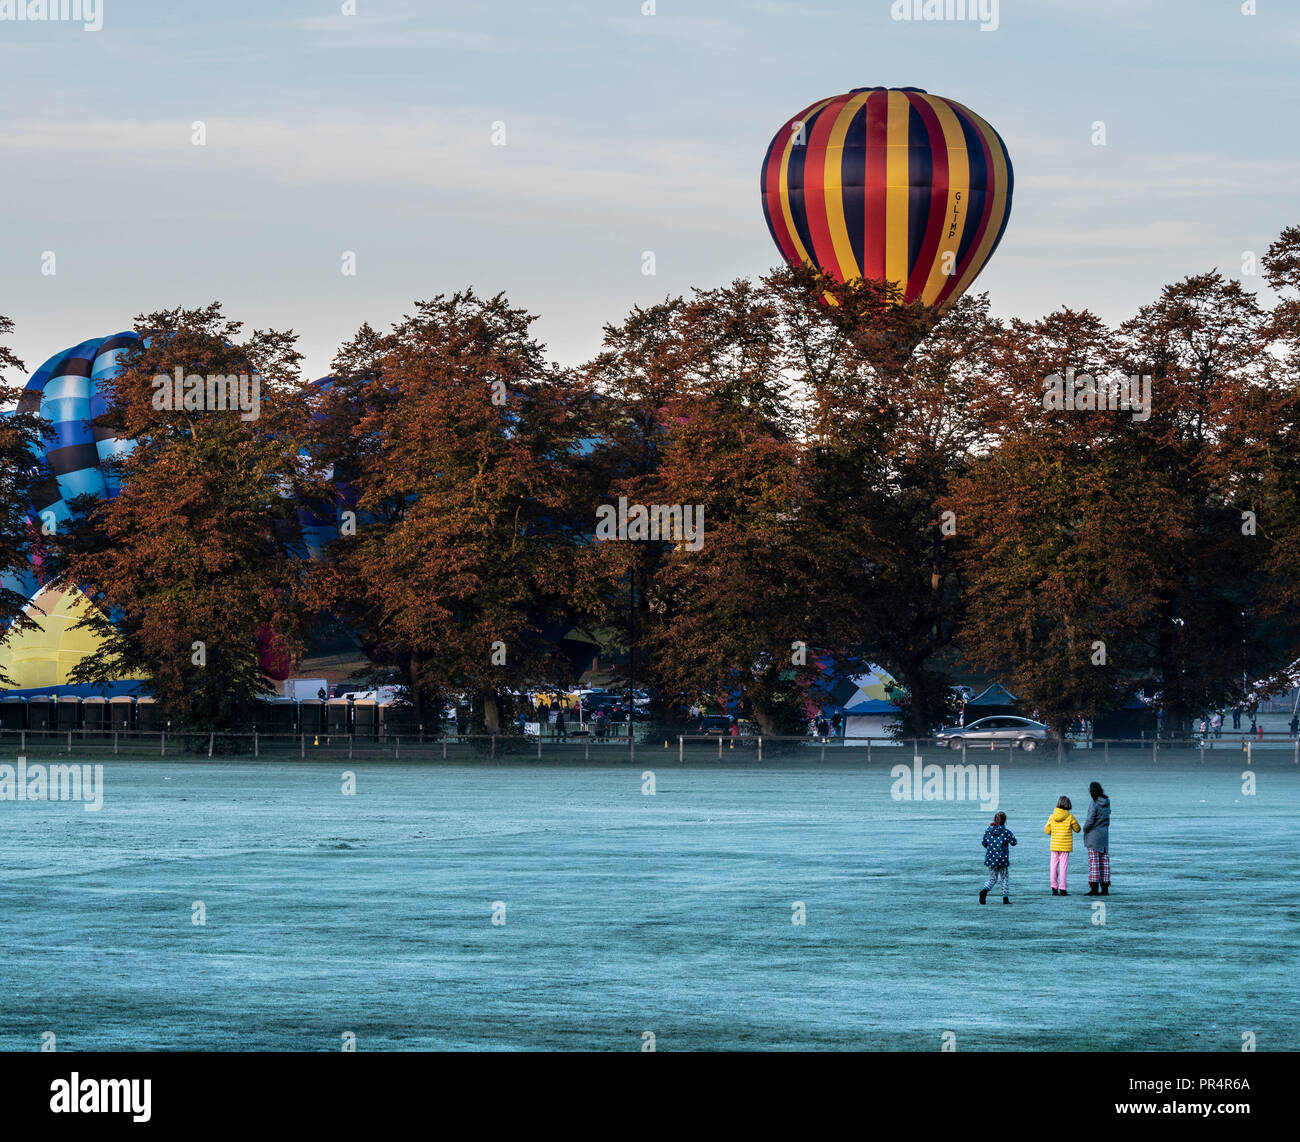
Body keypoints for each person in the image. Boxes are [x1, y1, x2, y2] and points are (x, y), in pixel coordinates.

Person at [1044, 795, 1081, 895]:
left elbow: (1047, 831)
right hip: (1065, 847)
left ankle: (1054, 887)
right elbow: (1077, 829)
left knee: (1053, 867)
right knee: (1063, 868)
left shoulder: (1052, 817)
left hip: (1055, 846)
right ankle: (1063, 888)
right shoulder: (1070, 817)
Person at [979, 811, 1017, 905]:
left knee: (992, 878)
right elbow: (1014, 842)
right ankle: (1005, 898)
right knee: (1005, 878)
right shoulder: (1006, 832)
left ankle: (984, 890)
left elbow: (984, 843)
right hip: (1002, 860)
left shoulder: (988, 831)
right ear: (1005, 821)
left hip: (991, 859)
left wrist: (992, 849)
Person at [1082, 781, 1111, 896]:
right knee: (1104, 863)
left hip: (1093, 837)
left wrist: (1085, 829)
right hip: (1104, 836)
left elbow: (1090, 821)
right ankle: (1105, 889)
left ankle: (1094, 888)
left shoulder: (1094, 804)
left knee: (1094, 863)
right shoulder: (1107, 802)